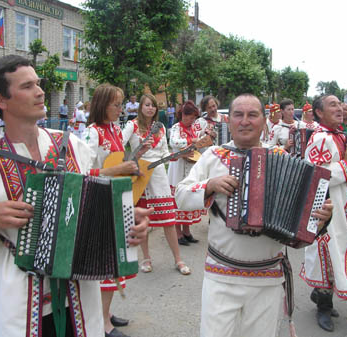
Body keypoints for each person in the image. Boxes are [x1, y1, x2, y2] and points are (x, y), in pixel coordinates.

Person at [0, 55, 149, 337]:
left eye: (38, 83)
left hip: (79, 292)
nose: (40, 91)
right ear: (0, 99)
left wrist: (124, 218)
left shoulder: (72, 146)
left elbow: (89, 204)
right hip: (21, 301)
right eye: (27, 86)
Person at [175, 94, 333, 337]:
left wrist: (320, 219)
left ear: (264, 121)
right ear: (229, 122)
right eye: (238, 115)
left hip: (267, 279)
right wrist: (210, 185)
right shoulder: (213, 156)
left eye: (252, 115)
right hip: (221, 276)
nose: (245, 121)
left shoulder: (281, 158)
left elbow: (305, 225)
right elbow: (181, 196)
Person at [82, 84, 146, 337]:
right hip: (97, 200)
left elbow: (117, 163)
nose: (121, 110)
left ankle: (105, 313)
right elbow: (83, 172)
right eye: (116, 105)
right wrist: (118, 171)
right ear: (102, 105)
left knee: (115, 258)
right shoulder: (91, 133)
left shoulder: (115, 130)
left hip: (115, 198)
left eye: (121, 105)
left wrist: (132, 169)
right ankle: (101, 323)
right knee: (105, 261)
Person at [299, 94, 347, 332]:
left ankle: (321, 294)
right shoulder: (319, 139)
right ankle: (324, 305)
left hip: (344, 205)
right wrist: (346, 165)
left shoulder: (343, 135)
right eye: (332, 105)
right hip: (326, 208)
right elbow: (315, 176)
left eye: (339, 105)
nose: (339, 108)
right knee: (328, 255)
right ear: (319, 113)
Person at [122, 94, 191, 275]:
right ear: (140, 107)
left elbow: (164, 153)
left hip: (159, 175)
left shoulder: (160, 128)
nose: (150, 108)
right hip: (140, 175)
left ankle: (178, 259)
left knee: (169, 219)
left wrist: (177, 155)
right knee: (143, 220)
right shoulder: (132, 125)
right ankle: (146, 258)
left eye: (153, 105)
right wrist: (134, 159)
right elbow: (118, 145)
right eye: (147, 105)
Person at [168, 100, 204, 246]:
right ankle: (178, 233)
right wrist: (192, 140)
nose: (192, 120)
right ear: (182, 115)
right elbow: (174, 142)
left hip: (190, 166)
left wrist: (202, 140)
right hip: (178, 166)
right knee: (177, 198)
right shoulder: (176, 127)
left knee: (188, 197)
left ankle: (187, 231)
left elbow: (199, 142)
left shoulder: (194, 128)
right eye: (190, 117)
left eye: (194, 118)